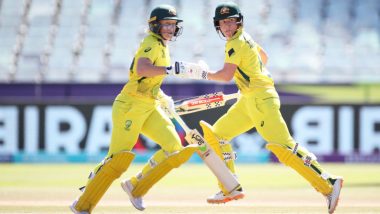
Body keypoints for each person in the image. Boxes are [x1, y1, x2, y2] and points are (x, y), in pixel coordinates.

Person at [173, 2, 343, 213]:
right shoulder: (246, 38)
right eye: (222, 22)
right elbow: (264, 57)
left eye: (230, 21)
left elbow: (225, 76)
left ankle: (328, 182)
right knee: (216, 136)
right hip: (249, 100)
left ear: (239, 21)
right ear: (218, 26)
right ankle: (230, 187)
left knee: (284, 148)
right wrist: (255, 78)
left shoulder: (234, 43)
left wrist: (200, 73)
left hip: (260, 100)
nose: (227, 26)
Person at [70, 5, 199, 213]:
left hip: (149, 105)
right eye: (166, 24)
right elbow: (142, 68)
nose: (170, 28)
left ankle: (135, 186)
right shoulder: (150, 42)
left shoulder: (163, 45)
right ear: (155, 24)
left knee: (174, 148)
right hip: (130, 105)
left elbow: (150, 80)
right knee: (117, 160)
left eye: (173, 24)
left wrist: (163, 97)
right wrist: (170, 68)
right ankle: (83, 203)